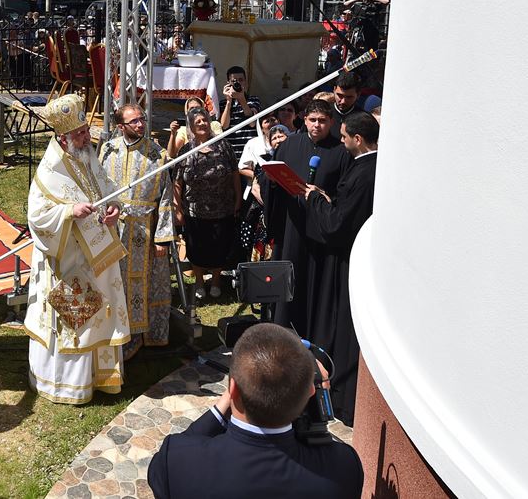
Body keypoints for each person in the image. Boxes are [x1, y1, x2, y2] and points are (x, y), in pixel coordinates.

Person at [147, 323, 363, 499]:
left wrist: (223, 405)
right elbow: (326, 454)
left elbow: (177, 452)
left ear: (232, 389)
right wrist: (319, 416)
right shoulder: (344, 468)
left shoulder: (176, 462)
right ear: (311, 392)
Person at [24, 93, 130, 404]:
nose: (86, 137)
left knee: (101, 311)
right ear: (63, 137)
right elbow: (37, 217)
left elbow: (107, 188)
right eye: (80, 133)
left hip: (98, 253)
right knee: (75, 319)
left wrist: (115, 208)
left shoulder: (87, 156)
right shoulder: (50, 171)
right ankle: (68, 384)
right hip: (68, 259)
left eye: (85, 130)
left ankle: (102, 377)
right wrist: (69, 212)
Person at [300, 112, 379, 425]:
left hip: (349, 260)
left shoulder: (364, 173)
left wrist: (315, 201)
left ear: (358, 139)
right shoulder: (374, 166)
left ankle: (343, 398)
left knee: (344, 325)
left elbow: (338, 225)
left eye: (345, 137)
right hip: (360, 254)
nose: (342, 143)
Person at [266, 100, 352, 333]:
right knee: (289, 275)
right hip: (292, 224)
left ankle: (313, 329)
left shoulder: (341, 152)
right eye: (312, 120)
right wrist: (271, 182)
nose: (317, 125)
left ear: (331, 122)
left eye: (322, 121)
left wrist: (324, 196)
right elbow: (272, 183)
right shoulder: (289, 145)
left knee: (315, 280)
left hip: (321, 229)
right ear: (304, 120)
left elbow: (345, 192)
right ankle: (283, 325)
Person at [98, 103, 174, 358]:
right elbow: (98, 187)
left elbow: (166, 197)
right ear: (121, 126)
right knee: (115, 283)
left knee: (143, 283)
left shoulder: (157, 154)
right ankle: (116, 335)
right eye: (134, 121)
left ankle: (142, 336)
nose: (141, 124)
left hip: (144, 230)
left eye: (142, 119)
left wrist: (162, 238)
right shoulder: (108, 150)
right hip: (113, 228)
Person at [174, 107, 242, 301]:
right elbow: (177, 182)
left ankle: (216, 281)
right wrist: (177, 209)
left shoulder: (224, 146)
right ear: (191, 126)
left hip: (222, 208)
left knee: (219, 247)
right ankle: (198, 281)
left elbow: (234, 174)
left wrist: (238, 199)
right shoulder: (186, 150)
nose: (202, 124)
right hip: (194, 210)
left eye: (204, 120)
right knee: (196, 248)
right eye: (197, 122)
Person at [218, 66, 261, 155]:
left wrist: (241, 99)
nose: (238, 83)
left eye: (241, 80)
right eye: (234, 81)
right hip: (231, 151)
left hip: (250, 151)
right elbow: (224, 126)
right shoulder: (223, 104)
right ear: (228, 83)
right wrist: (229, 101)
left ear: (245, 82)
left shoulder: (253, 100)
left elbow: (252, 123)